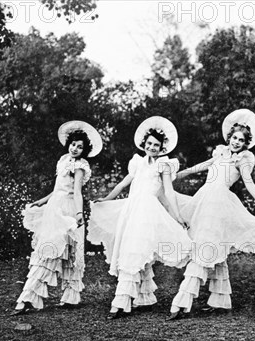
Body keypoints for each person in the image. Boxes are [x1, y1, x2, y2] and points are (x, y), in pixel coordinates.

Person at [167, 109, 255, 321]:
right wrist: (173, 176)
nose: (236, 142)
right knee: (214, 246)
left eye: (241, 140)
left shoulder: (243, 159)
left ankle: (181, 302)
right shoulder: (219, 153)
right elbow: (199, 167)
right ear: (229, 137)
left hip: (219, 204)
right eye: (234, 138)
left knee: (205, 246)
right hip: (204, 200)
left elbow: (249, 183)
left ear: (246, 143)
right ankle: (220, 301)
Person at [88, 117, 192, 319]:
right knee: (134, 249)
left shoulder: (163, 165)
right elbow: (122, 185)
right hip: (132, 209)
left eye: (157, 145)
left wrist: (177, 217)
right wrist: (106, 198)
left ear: (162, 148)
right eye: (150, 144)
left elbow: (168, 192)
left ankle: (121, 302)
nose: (152, 147)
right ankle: (144, 298)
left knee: (135, 251)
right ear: (144, 144)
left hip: (148, 211)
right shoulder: (138, 162)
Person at [13, 121, 103, 314]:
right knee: (48, 249)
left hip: (70, 209)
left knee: (70, 252)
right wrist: (41, 201)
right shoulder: (63, 160)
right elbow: (56, 190)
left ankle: (71, 297)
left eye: (80, 147)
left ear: (84, 150)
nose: (75, 149)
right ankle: (29, 296)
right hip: (55, 207)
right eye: (73, 144)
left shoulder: (80, 166)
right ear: (68, 144)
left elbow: (77, 192)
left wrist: (79, 214)